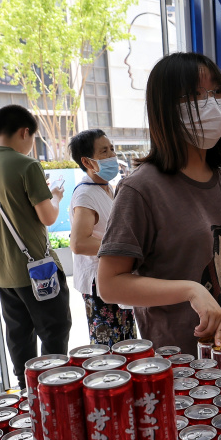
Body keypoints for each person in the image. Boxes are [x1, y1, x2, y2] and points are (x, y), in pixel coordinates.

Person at [98, 52, 221, 352]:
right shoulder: (140, 189)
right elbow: (109, 284)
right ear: (166, 108)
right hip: (178, 363)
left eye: (217, 92)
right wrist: (190, 290)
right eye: (196, 94)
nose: (211, 103)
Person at [0, 105, 69, 388]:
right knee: (55, 329)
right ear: (25, 132)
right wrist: (55, 196)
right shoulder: (27, 165)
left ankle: (26, 389)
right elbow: (48, 217)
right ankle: (52, 387)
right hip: (37, 270)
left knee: (19, 333)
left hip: (3, 272)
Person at [68, 128, 135, 349]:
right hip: (99, 283)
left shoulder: (106, 188)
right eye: (104, 151)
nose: (112, 155)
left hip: (115, 276)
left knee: (127, 343)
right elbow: (79, 243)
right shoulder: (85, 194)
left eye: (112, 149)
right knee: (109, 350)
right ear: (87, 161)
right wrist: (122, 249)